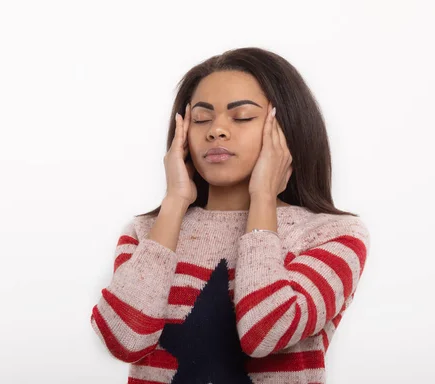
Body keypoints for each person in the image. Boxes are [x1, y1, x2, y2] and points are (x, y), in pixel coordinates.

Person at [90, 47, 370, 384]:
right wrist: (175, 202)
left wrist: (264, 198)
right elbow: (124, 340)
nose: (216, 131)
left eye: (242, 117)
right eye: (202, 119)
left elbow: (264, 331)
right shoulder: (144, 233)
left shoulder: (333, 235)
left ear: (287, 128)